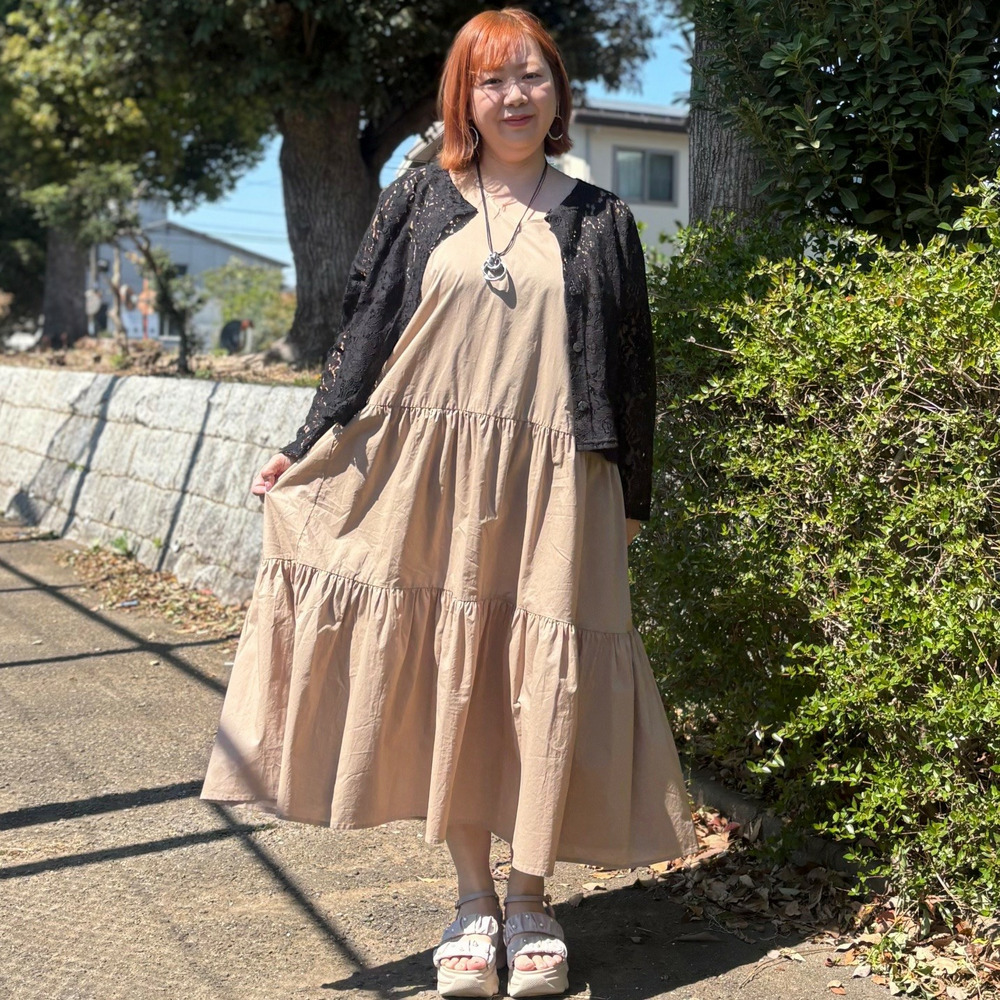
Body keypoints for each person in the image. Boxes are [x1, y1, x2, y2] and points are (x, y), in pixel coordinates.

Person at [201, 8, 697, 997]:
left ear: (558, 93)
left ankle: (532, 899)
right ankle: (472, 901)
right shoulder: (417, 199)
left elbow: (632, 368)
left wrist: (628, 496)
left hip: (560, 479)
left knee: (544, 680)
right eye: (491, 80)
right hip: (431, 474)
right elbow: (364, 331)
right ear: (462, 98)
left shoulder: (604, 219)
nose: (514, 97)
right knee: (455, 676)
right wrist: (305, 444)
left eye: (531, 77)